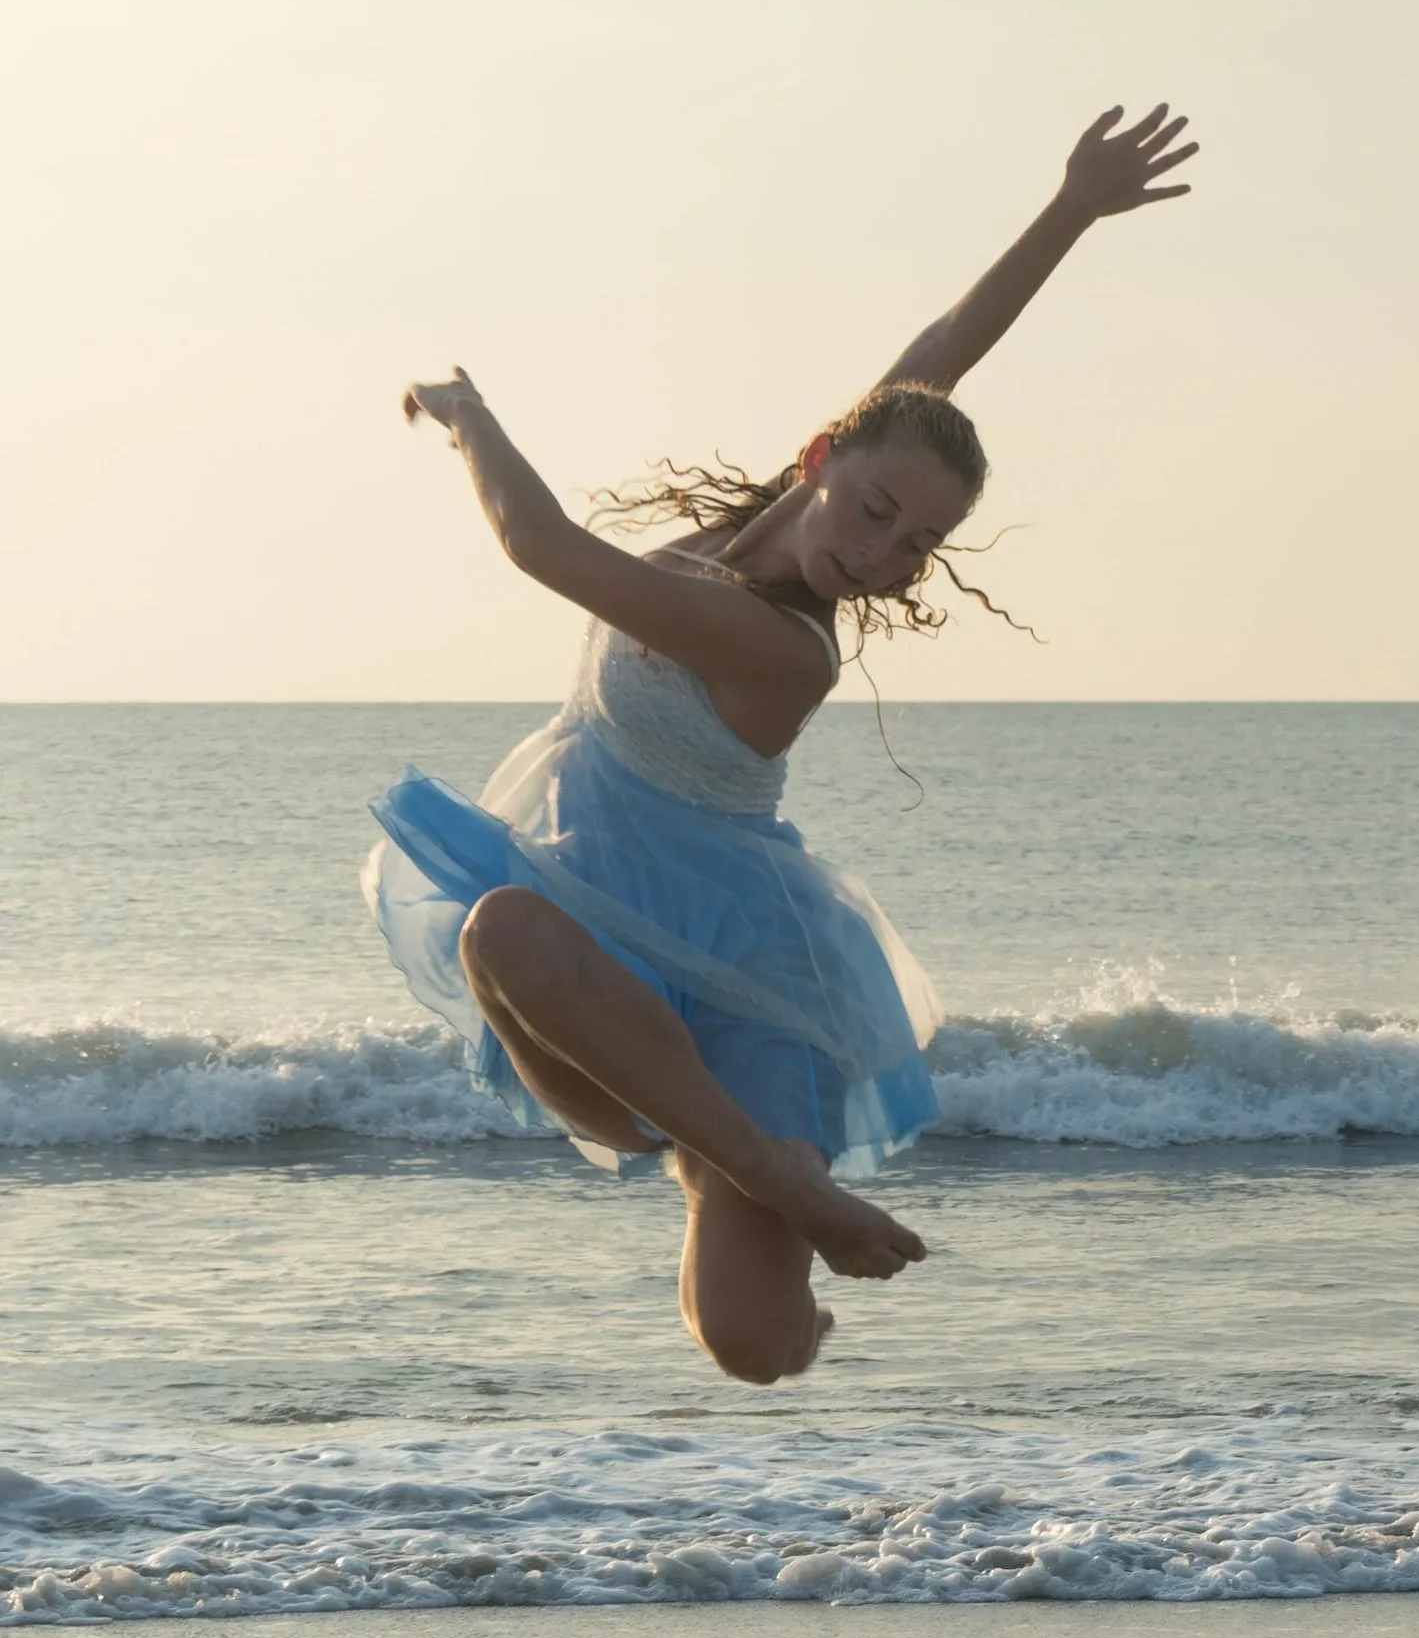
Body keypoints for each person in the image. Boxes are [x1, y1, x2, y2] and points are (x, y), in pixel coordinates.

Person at [364, 101, 1196, 1385]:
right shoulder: (762, 522)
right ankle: (749, 1162)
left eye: (916, 544)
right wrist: (1071, 210)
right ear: (818, 458)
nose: (880, 553)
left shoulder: (783, 646)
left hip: (746, 980)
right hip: (596, 955)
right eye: (873, 509)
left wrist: (468, 413)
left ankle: (737, 1171)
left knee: (756, 1350)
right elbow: (937, 362)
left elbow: (541, 549)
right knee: (498, 931)